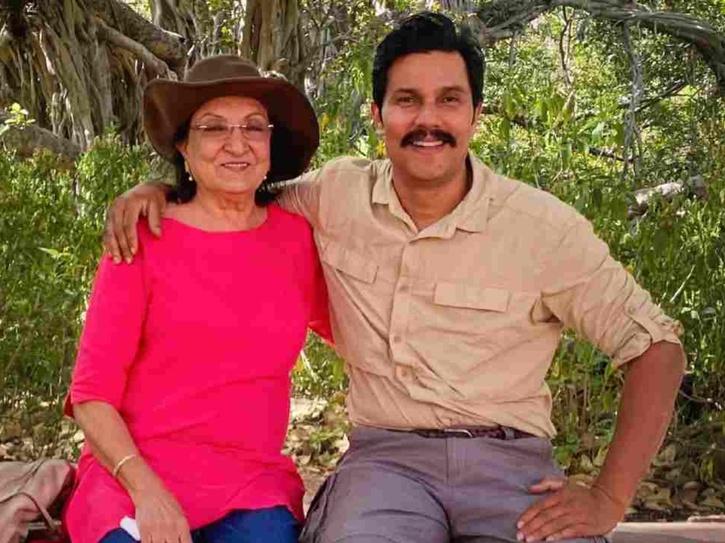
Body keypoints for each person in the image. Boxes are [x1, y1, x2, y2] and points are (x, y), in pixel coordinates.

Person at [103, 13, 686, 543]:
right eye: (407, 100)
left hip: (510, 469)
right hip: (386, 463)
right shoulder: (334, 196)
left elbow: (656, 348)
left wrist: (608, 498)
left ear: (475, 116)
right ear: (377, 114)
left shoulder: (542, 228)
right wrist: (159, 188)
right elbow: (233, 190)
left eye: (449, 100)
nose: (427, 120)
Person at [64, 55, 330, 543]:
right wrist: (148, 492)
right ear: (183, 146)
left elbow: (365, 333)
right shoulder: (143, 235)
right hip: (134, 477)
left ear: (271, 144)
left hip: (250, 484)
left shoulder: (298, 240)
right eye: (213, 128)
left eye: (254, 127)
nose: (237, 144)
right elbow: (91, 395)